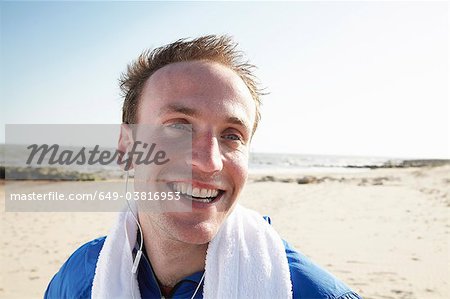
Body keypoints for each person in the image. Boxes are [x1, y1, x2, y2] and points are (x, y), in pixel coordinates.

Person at [45, 35, 362, 299]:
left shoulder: (313, 293)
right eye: (179, 126)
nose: (210, 161)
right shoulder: (77, 278)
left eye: (231, 135)